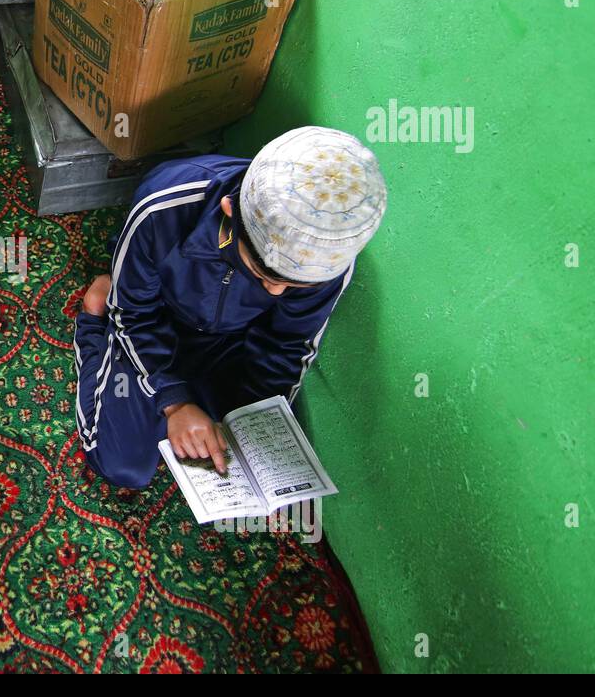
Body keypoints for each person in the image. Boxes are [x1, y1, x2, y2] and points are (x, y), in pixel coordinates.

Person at [73, 126, 387, 488]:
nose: (275, 289)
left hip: (231, 339)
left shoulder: (329, 259)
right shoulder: (164, 209)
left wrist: (249, 417)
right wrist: (174, 401)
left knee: (255, 445)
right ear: (229, 213)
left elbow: (287, 346)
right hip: (155, 315)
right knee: (121, 465)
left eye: (293, 285)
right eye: (261, 273)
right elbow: (134, 314)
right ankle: (94, 321)